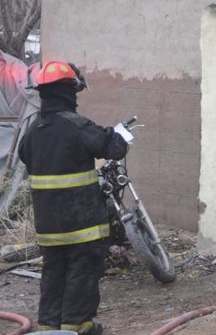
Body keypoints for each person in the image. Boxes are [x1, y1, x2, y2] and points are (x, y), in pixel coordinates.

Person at [19, 61, 130, 334]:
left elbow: (25, 156)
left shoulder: (33, 129)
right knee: (82, 272)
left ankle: (49, 326)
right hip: (81, 223)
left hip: (48, 227)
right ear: (70, 91)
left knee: (54, 273)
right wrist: (119, 136)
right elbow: (111, 147)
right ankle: (77, 326)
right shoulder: (77, 125)